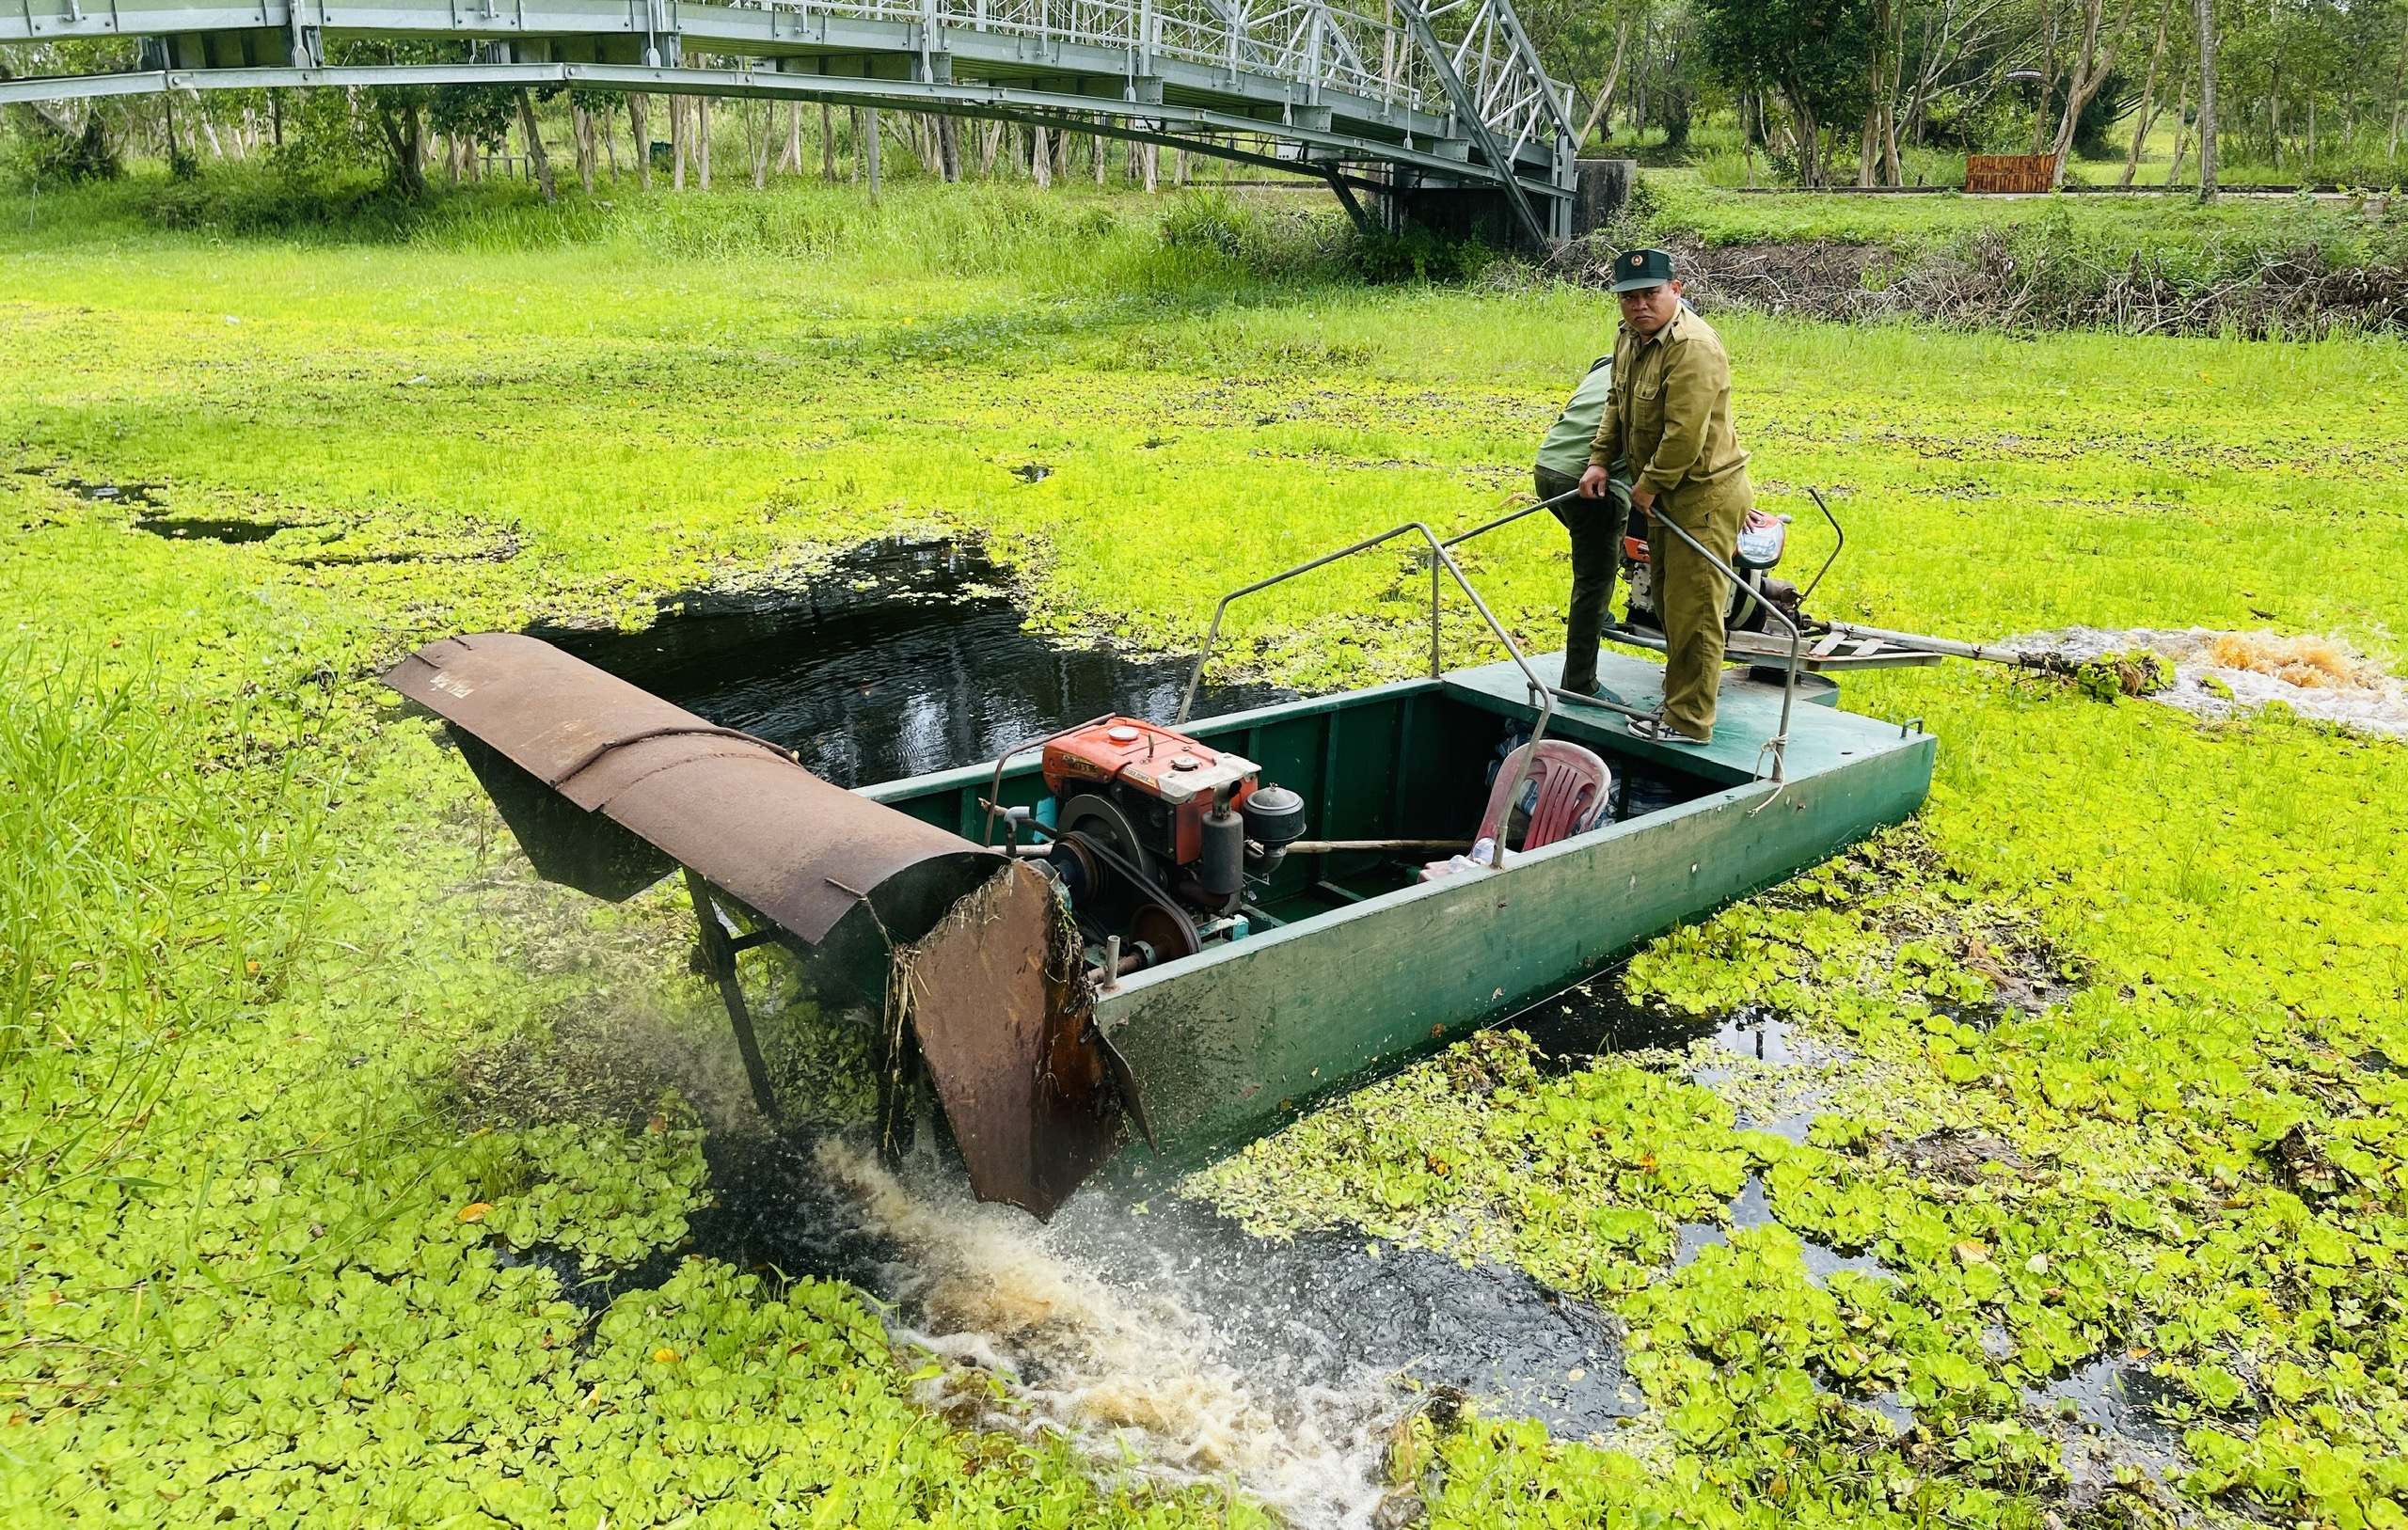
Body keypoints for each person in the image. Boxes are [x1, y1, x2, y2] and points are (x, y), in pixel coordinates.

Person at [1577, 247, 1753, 746]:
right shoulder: (1631, 338)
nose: (1639, 306)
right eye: (1628, 297)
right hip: (1660, 493)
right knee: (1669, 605)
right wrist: (1597, 459)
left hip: (1702, 495)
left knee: (1695, 610)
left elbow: (1685, 434)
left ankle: (1689, 723)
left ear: (1676, 290)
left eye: (1650, 294)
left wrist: (1648, 485)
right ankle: (1679, 701)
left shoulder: (1693, 346)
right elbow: (1616, 402)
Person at [1533, 357, 1630, 700]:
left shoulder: (1607, 362)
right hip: (1586, 481)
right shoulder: (1663, 371)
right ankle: (1580, 684)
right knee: (1595, 578)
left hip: (1548, 469)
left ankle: (1599, 614)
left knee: (1602, 541)